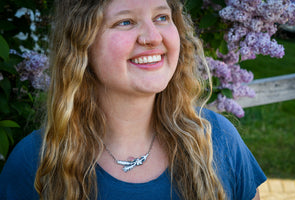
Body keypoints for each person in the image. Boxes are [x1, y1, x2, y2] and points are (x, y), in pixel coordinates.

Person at [0, 0, 266, 199]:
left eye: (162, 17)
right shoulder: (36, 163)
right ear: (81, 45)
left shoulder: (217, 140)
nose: (153, 37)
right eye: (125, 22)